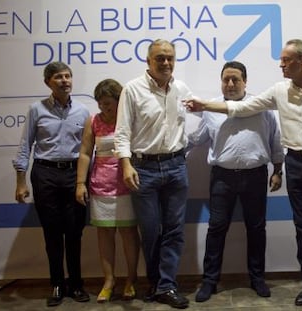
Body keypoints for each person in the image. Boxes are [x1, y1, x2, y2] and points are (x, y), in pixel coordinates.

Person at [184, 39, 302, 306]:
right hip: (295, 163)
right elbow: (240, 108)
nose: (281, 64)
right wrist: (204, 105)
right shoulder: (278, 90)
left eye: (286, 60)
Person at [187, 61, 284, 302]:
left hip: (255, 176)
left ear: (245, 82)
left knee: (256, 228)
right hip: (223, 177)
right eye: (226, 79)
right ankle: (209, 281)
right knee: (217, 228)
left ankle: (257, 278)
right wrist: (172, 147)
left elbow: (276, 141)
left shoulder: (262, 107)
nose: (230, 84)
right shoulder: (211, 109)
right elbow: (198, 138)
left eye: (235, 80)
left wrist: (278, 170)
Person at [114, 39, 191, 309]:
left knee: (174, 230)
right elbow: (122, 132)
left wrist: (182, 155)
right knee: (150, 231)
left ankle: (166, 285)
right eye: (160, 58)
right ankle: (156, 283)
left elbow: (184, 127)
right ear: (148, 61)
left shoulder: (181, 89)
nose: (166, 63)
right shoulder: (133, 90)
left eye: (170, 57)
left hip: (176, 168)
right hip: (143, 170)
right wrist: (125, 164)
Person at [13, 61, 90, 307]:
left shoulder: (83, 111)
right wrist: (20, 182)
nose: (65, 80)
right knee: (52, 233)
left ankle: (76, 284)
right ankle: (57, 284)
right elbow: (25, 147)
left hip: (74, 175)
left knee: (75, 232)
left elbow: (88, 150)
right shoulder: (36, 109)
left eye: (68, 76)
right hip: (45, 174)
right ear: (48, 82)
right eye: (58, 77)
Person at [75, 79, 140, 303]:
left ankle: (131, 279)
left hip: (127, 185)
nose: (105, 108)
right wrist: (80, 183)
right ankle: (109, 280)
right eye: (101, 104)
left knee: (129, 234)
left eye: (109, 104)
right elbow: (84, 153)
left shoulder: (130, 120)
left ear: (120, 101)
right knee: (104, 235)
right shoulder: (93, 122)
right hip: (100, 187)